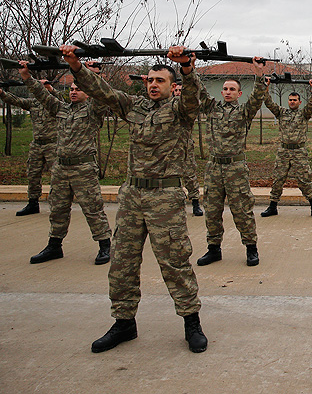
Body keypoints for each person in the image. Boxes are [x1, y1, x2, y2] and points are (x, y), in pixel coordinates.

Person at [60, 44, 208, 354]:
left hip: (164, 197)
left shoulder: (181, 110)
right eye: (150, 80)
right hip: (132, 196)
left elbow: (194, 97)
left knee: (175, 262)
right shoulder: (134, 107)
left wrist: (187, 68)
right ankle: (124, 322)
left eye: (160, 81)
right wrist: (76, 66)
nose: (153, 85)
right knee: (122, 263)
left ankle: (191, 322)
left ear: (172, 86)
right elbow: (102, 91)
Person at [17, 63, 113, 265]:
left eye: (78, 89)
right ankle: (54, 245)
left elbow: (103, 92)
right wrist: (27, 77)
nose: (74, 92)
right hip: (61, 168)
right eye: (71, 89)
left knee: (92, 208)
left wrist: (92, 74)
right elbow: (42, 96)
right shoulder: (60, 109)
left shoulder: (94, 109)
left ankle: (105, 245)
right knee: (58, 208)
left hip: (83, 168)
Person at [195, 66, 267, 267]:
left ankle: (251, 248)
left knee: (242, 210)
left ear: (239, 94)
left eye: (232, 89)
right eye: (225, 89)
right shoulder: (212, 108)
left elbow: (257, 98)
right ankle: (213, 249)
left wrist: (260, 75)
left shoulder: (244, 112)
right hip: (214, 168)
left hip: (235, 169)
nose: (227, 92)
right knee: (212, 210)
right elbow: (198, 89)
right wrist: (189, 69)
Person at [260, 80, 312, 218]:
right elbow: (269, 103)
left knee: (305, 179)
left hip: (299, 152)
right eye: (290, 100)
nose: (292, 102)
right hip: (283, 152)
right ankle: (272, 207)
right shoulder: (281, 112)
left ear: (299, 102)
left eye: (295, 100)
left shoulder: (304, 114)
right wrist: (266, 88)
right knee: (278, 179)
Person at [0, 80, 58, 215]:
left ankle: (58, 205)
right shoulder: (33, 103)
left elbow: (65, 101)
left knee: (57, 176)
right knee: (32, 174)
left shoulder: (55, 103)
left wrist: (51, 89)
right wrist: (2, 93)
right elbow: (16, 100)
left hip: (53, 144)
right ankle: (33, 203)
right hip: (37, 144)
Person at [172, 84, 203, 216]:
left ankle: (195, 202)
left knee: (190, 175)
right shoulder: (167, 105)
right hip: (170, 147)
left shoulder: (187, 106)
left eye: (181, 90)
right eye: (176, 90)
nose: (178, 93)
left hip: (185, 146)